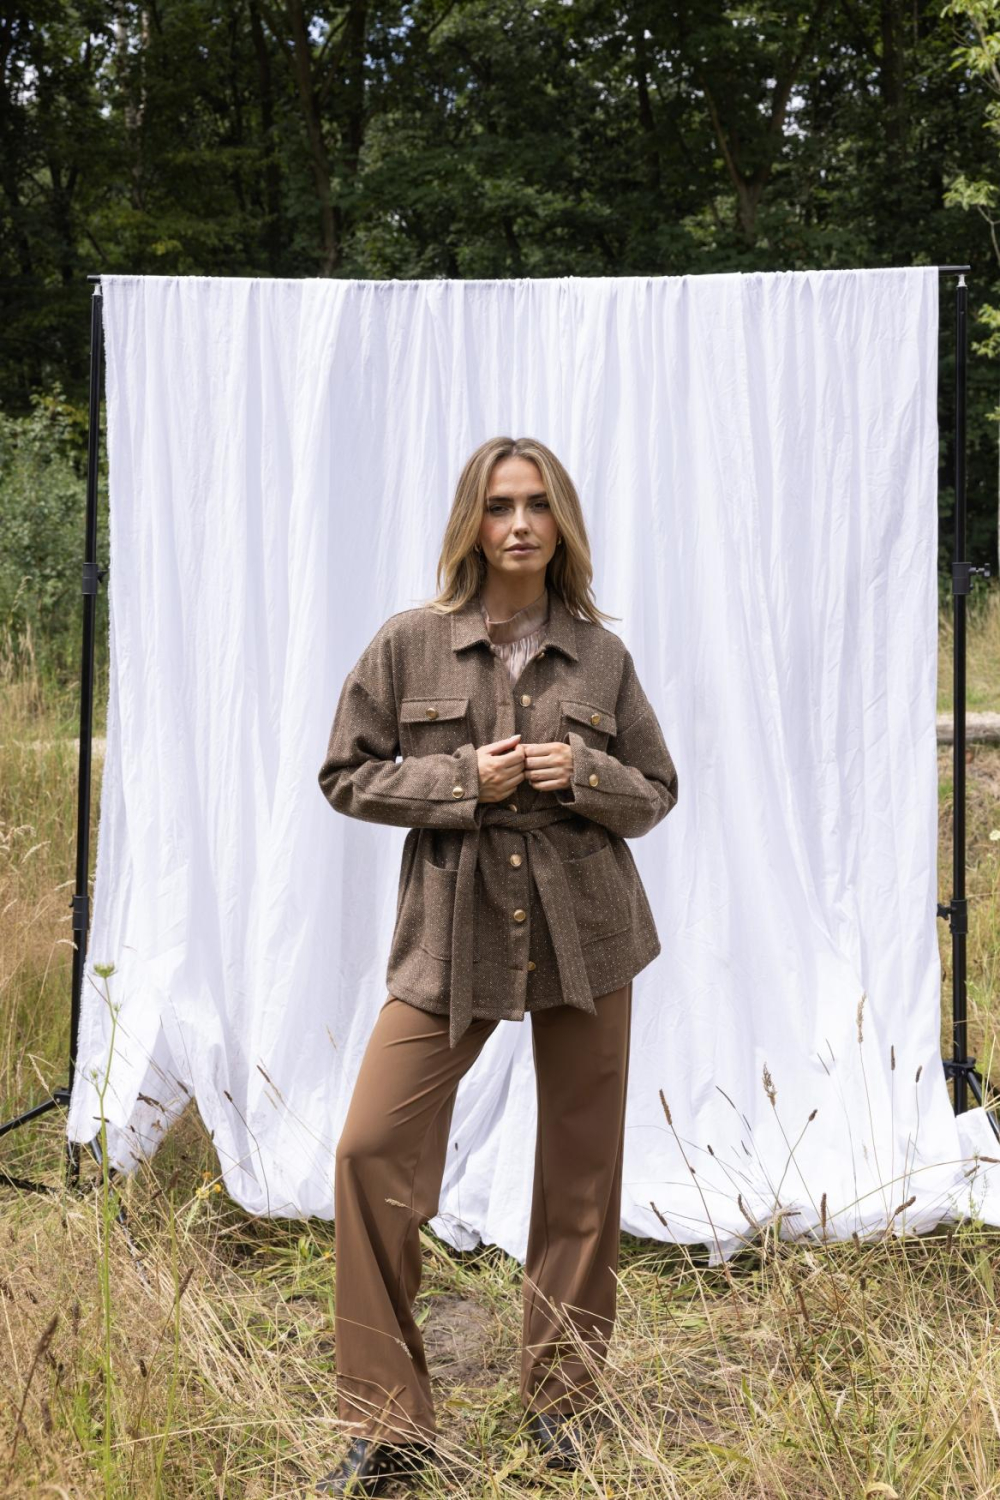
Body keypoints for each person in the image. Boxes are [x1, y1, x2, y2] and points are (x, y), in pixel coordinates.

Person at [313, 435, 678, 1496]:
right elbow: (345, 775)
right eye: (499, 504)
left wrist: (587, 772)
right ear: (471, 522)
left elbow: (656, 792)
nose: (519, 524)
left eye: (538, 505)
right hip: (454, 926)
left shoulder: (601, 657)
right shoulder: (409, 643)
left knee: (581, 1170)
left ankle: (564, 1403)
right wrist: (460, 778)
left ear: (562, 523)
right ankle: (389, 1422)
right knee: (370, 1151)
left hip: (588, 928)